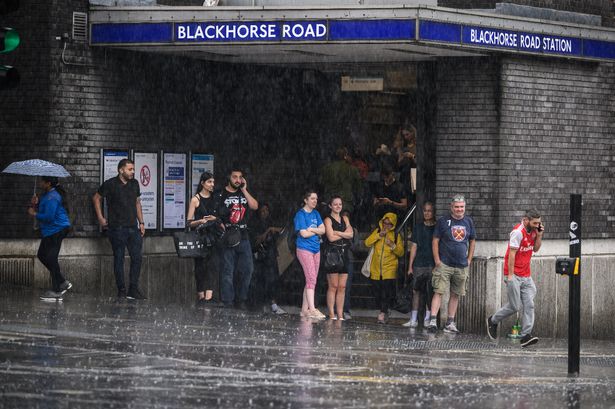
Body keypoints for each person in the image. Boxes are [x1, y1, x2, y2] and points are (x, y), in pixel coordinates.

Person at [487, 209, 544, 348]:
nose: (537, 225)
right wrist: (510, 276)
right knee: (514, 306)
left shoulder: (535, 231)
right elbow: (511, 254)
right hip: (513, 274)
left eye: (539, 223)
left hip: (526, 275)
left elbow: (535, 249)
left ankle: (526, 336)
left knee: (529, 304)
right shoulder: (517, 232)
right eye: (535, 222)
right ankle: (493, 321)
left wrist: (540, 235)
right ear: (526, 220)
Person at [93, 159, 146, 300]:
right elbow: (96, 198)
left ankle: (133, 289)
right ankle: (121, 290)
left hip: (133, 228)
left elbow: (137, 203)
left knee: (137, 258)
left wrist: (141, 222)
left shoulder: (134, 184)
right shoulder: (110, 184)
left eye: (133, 169)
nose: (133, 172)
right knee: (119, 259)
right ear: (121, 170)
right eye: (130, 169)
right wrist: (100, 217)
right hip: (116, 229)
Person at [426, 195, 476, 333]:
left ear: (464, 207)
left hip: (461, 265)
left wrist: (469, 259)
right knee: (438, 291)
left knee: (455, 294)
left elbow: (472, 240)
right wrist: (437, 260)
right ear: (451, 207)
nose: (459, 209)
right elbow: (435, 240)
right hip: (444, 263)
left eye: (461, 207)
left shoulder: (469, 222)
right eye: (457, 207)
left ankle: (450, 323)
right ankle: (432, 321)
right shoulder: (443, 221)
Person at [215, 167, 259, 309]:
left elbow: (255, 206)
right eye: (235, 177)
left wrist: (245, 190)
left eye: (240, 177)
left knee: (248, 269)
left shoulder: (243, 193)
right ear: (229, 177)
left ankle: (241, 298)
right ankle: (228, 300)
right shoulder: (221, 194)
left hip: (243, 236)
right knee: (228, 269)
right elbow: (214, 214)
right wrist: (220, 225)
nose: (238, 180)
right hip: (228, 236)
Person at [28, 176, 72, 302]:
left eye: (42, 181)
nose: (40, 183)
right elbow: (42, 210)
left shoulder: (53, 197)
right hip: (50, 231)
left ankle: (57, 290)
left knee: (51, 258)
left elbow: (49, 217)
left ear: (48, 183)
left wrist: (34, 213)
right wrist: (35, 203)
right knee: (42, 255)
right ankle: (62, 282)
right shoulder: (47, 195)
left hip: (57, 229)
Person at [186, 171, 220, 306]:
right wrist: (201, 221)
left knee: (212, 266)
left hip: (213, 236)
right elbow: (189, 222)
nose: (212, 184)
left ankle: (209, 297)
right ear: (202, 183)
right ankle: (201, 296)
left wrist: (214, 219)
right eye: (209, 182)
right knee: (200, 267)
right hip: (200, 237)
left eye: (213, 182)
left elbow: (220, 217)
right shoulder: (196, 199)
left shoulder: (215, 198)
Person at [364, 212, 404, 324]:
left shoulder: (396, 236)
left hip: (389, 268)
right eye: (385, 223)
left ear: (393, 225)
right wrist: (378, 236)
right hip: (376, 267)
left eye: (389, 224)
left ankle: (382, 313)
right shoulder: (377, 231)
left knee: (386, 292)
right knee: (377, 291)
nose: (386, 226)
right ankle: (384, 311)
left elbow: (401, 253)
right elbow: (367, 243)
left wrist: (393, 245)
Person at [402, 201, 436, 328]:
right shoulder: (418, 227)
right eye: (425, 211)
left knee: (430, 291)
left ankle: (428, 318)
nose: (427, 213)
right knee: (416, 291)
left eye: (429, 211)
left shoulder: (436, 228)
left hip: (432, 263)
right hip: (419, 263)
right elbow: (414, 247)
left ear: (433, 212)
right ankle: (413, 319)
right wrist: (410, 265)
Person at [294, 189, 326, 320]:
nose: (315, 201)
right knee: (312, 278)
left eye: (316, 199)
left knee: (310, 280)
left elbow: (323, 230)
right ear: (305, 200)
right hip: (304, 248)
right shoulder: (300, 215)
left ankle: (304, 310)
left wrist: (312, 229)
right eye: (312, 198)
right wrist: (316, 231)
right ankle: (312, 309)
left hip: (316, 249)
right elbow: (303, 234)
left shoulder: (316, 213)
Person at [250, 203, 286, 315]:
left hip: (271, 255)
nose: (265, 213)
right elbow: (257, 240)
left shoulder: (271, 222)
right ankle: (261, 304)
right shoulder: (256, 224)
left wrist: (272, 228)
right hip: (261, 257)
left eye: (267, 210)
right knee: (262, 280)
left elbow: (282, 230)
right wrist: (267, 231)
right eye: (262, 211)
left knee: (273, 280)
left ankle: (273, 304)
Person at [323, 196, 354, 320]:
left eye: (340, 204)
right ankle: (331, 313)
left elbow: (351, 234)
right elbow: (330, 237)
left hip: (344, 253)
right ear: (330, 206)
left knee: (342, 287)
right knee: (333, 286)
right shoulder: (327, 220)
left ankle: (340, 314)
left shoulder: (345, 218)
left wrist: (338, 233)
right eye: (335, 204)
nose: (338, 206)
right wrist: (344, 235)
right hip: (332, 253)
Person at [319, 147, 362, 215]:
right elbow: (358, 187)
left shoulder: (327, 168)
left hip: (330, 200)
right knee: (346, 221)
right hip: (346, 201)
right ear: (345, 156)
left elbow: (321, 183)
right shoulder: (352, 169)